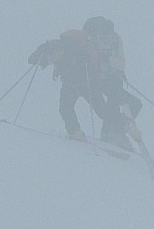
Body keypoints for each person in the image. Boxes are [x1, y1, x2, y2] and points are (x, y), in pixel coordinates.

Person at [28, 29, 138, 144]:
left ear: (59, 51)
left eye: (52, 58)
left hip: (87, 83)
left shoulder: (76, 50)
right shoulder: (49, 48)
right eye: (50, 58)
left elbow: (96, 58)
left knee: (101, 111)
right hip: (69, 84)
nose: (51, 61)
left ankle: (126, 124)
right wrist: (38, 56)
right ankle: (75, 133)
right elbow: (31, 60)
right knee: (65, 108)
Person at [82, 16, 142, 149]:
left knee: (135, 104)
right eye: (103, 35)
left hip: (112, 79)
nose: (106, 38)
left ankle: (113, 133)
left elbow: (122, 64)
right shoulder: (91, 40)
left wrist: (108, 60)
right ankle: (113, 134)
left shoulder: (116, 39)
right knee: (111, 106)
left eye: (108, 35)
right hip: (95, 80)